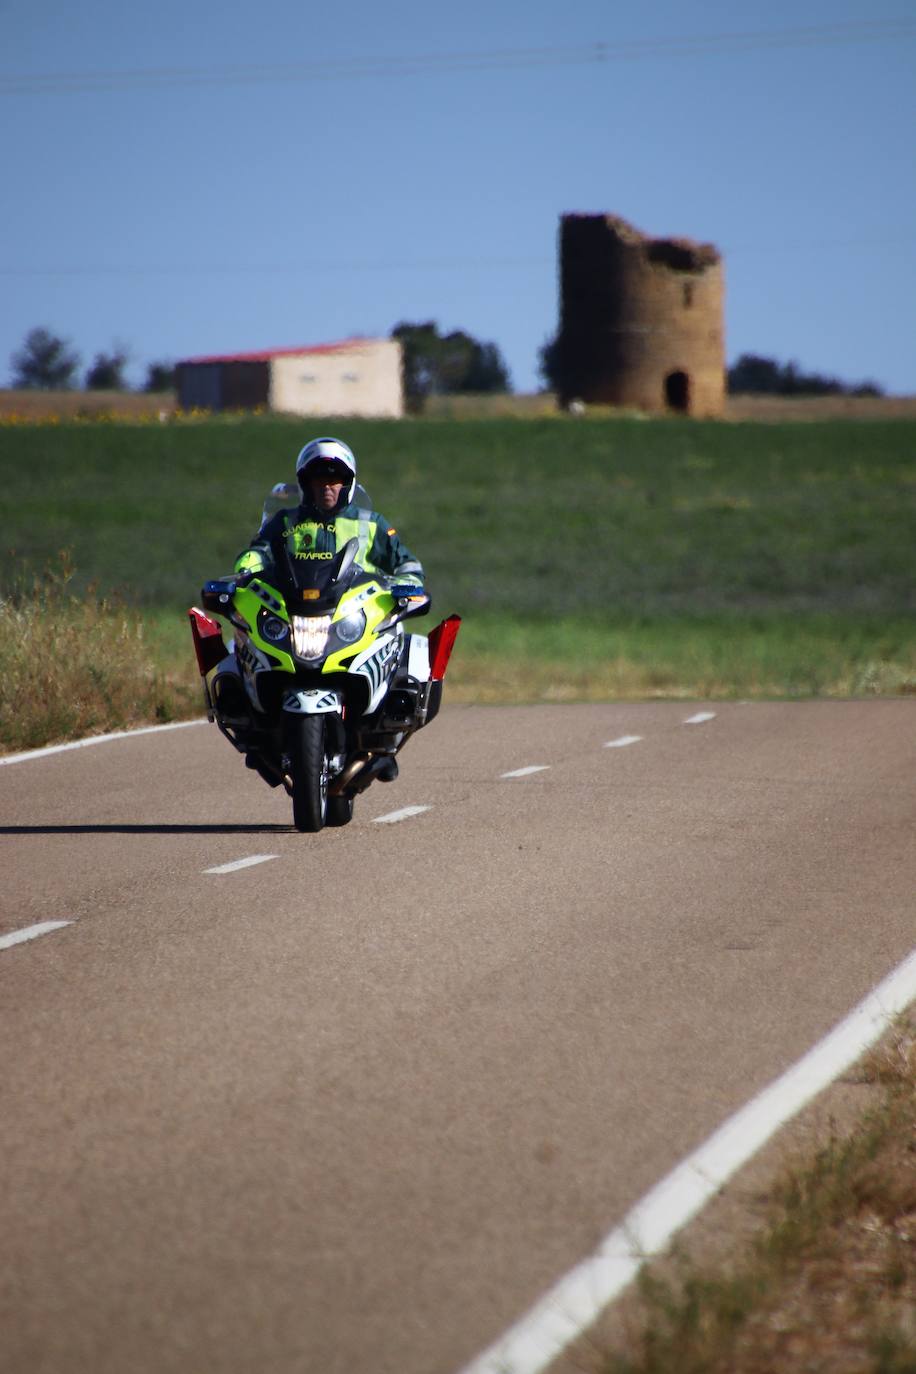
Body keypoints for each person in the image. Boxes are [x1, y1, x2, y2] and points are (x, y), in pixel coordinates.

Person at [234, 436, 425, 588]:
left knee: (406, 638)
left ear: (347, 483)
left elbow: (406, 565)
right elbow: (260, 551)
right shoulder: (285, 521)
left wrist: (407, 586)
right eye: (318, 479)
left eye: (334, 479)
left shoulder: (371, 523)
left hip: (357, 618)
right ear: (305, 484)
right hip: (294, 611)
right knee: (241, 637)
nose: (326, 487)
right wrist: (246, 569)